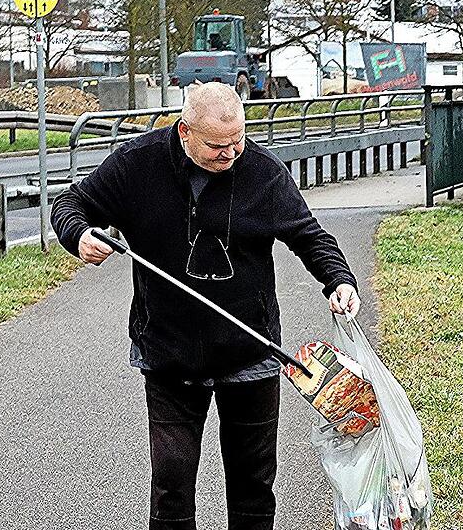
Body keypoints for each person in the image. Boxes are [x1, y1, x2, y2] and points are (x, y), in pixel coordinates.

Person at [51, 82, 360, 530]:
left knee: (254, 486)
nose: (231, 153)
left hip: (251, 354)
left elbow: (309, 236)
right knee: (172, 491)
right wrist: (78, 234)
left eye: (238, 140)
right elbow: (71, 202)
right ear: (184, 132)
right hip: (169, 355)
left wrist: (339, 280)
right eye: (217, 145)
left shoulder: (263, 173)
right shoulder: (139, 164)